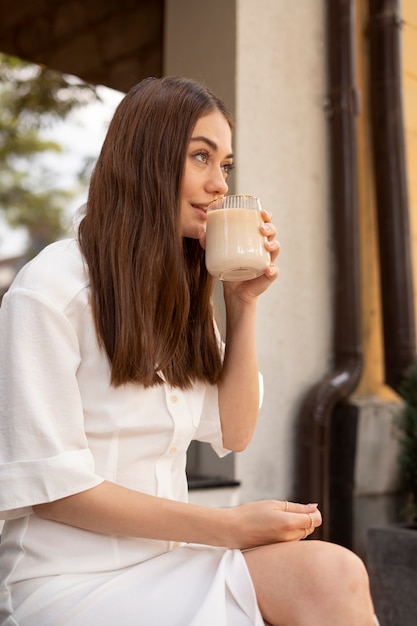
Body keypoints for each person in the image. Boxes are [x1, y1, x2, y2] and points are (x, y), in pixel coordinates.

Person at [0, 76, 377, 626]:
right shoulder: (51, 289)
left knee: (332, 574)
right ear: (146, 160)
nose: (220, 183)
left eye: (225, 165)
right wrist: (229, 528)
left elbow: (234, 430)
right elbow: (56, 492)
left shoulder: (177, 294)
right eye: (201, 156)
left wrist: (242, 303)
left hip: (167, 562)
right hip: (63, 582)